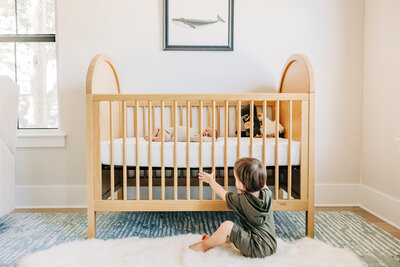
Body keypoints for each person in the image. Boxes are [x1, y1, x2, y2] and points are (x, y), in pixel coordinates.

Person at [189, 157, 277, 258]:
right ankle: (217, 239)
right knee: (236, 232)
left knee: (227, 226)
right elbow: (261, 181)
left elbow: (220, 192)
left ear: (243, 185)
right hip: (271, 244)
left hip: (255, 248)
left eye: (236, 178)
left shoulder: (241, 200)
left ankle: (204, 245)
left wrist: (210, 180)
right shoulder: (268, 194)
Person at [144, 126, 218, 142]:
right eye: (206, 130)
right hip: (168, 131)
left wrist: (213, 138)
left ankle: (153, 138)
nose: (206, 133)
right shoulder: (195, 130)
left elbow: (203, 140)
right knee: (164, 134)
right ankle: (154, 135)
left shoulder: (196, 137)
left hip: (168, 135)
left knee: (166, 138)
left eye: (208, 135)